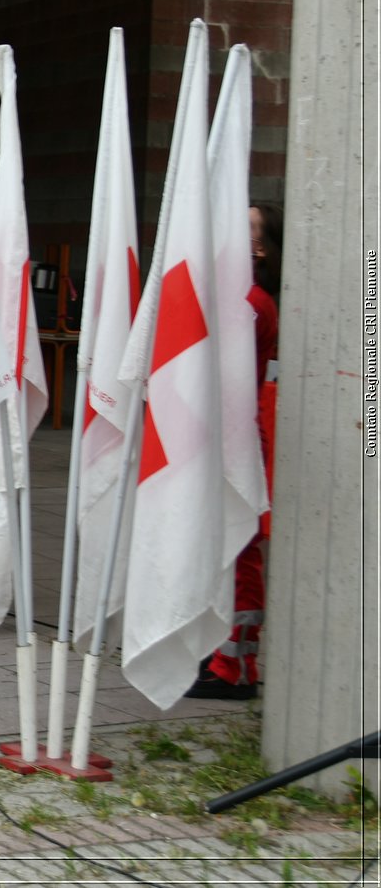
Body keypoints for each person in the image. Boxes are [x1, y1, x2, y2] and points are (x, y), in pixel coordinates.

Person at [187, 200, 281, 700]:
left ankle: (238, 663)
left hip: (235, 439)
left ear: (261, 247)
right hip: (215, 435)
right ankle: (218, 648)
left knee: (239, 549)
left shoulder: (251, 301)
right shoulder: (236, 295)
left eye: (244, 228)